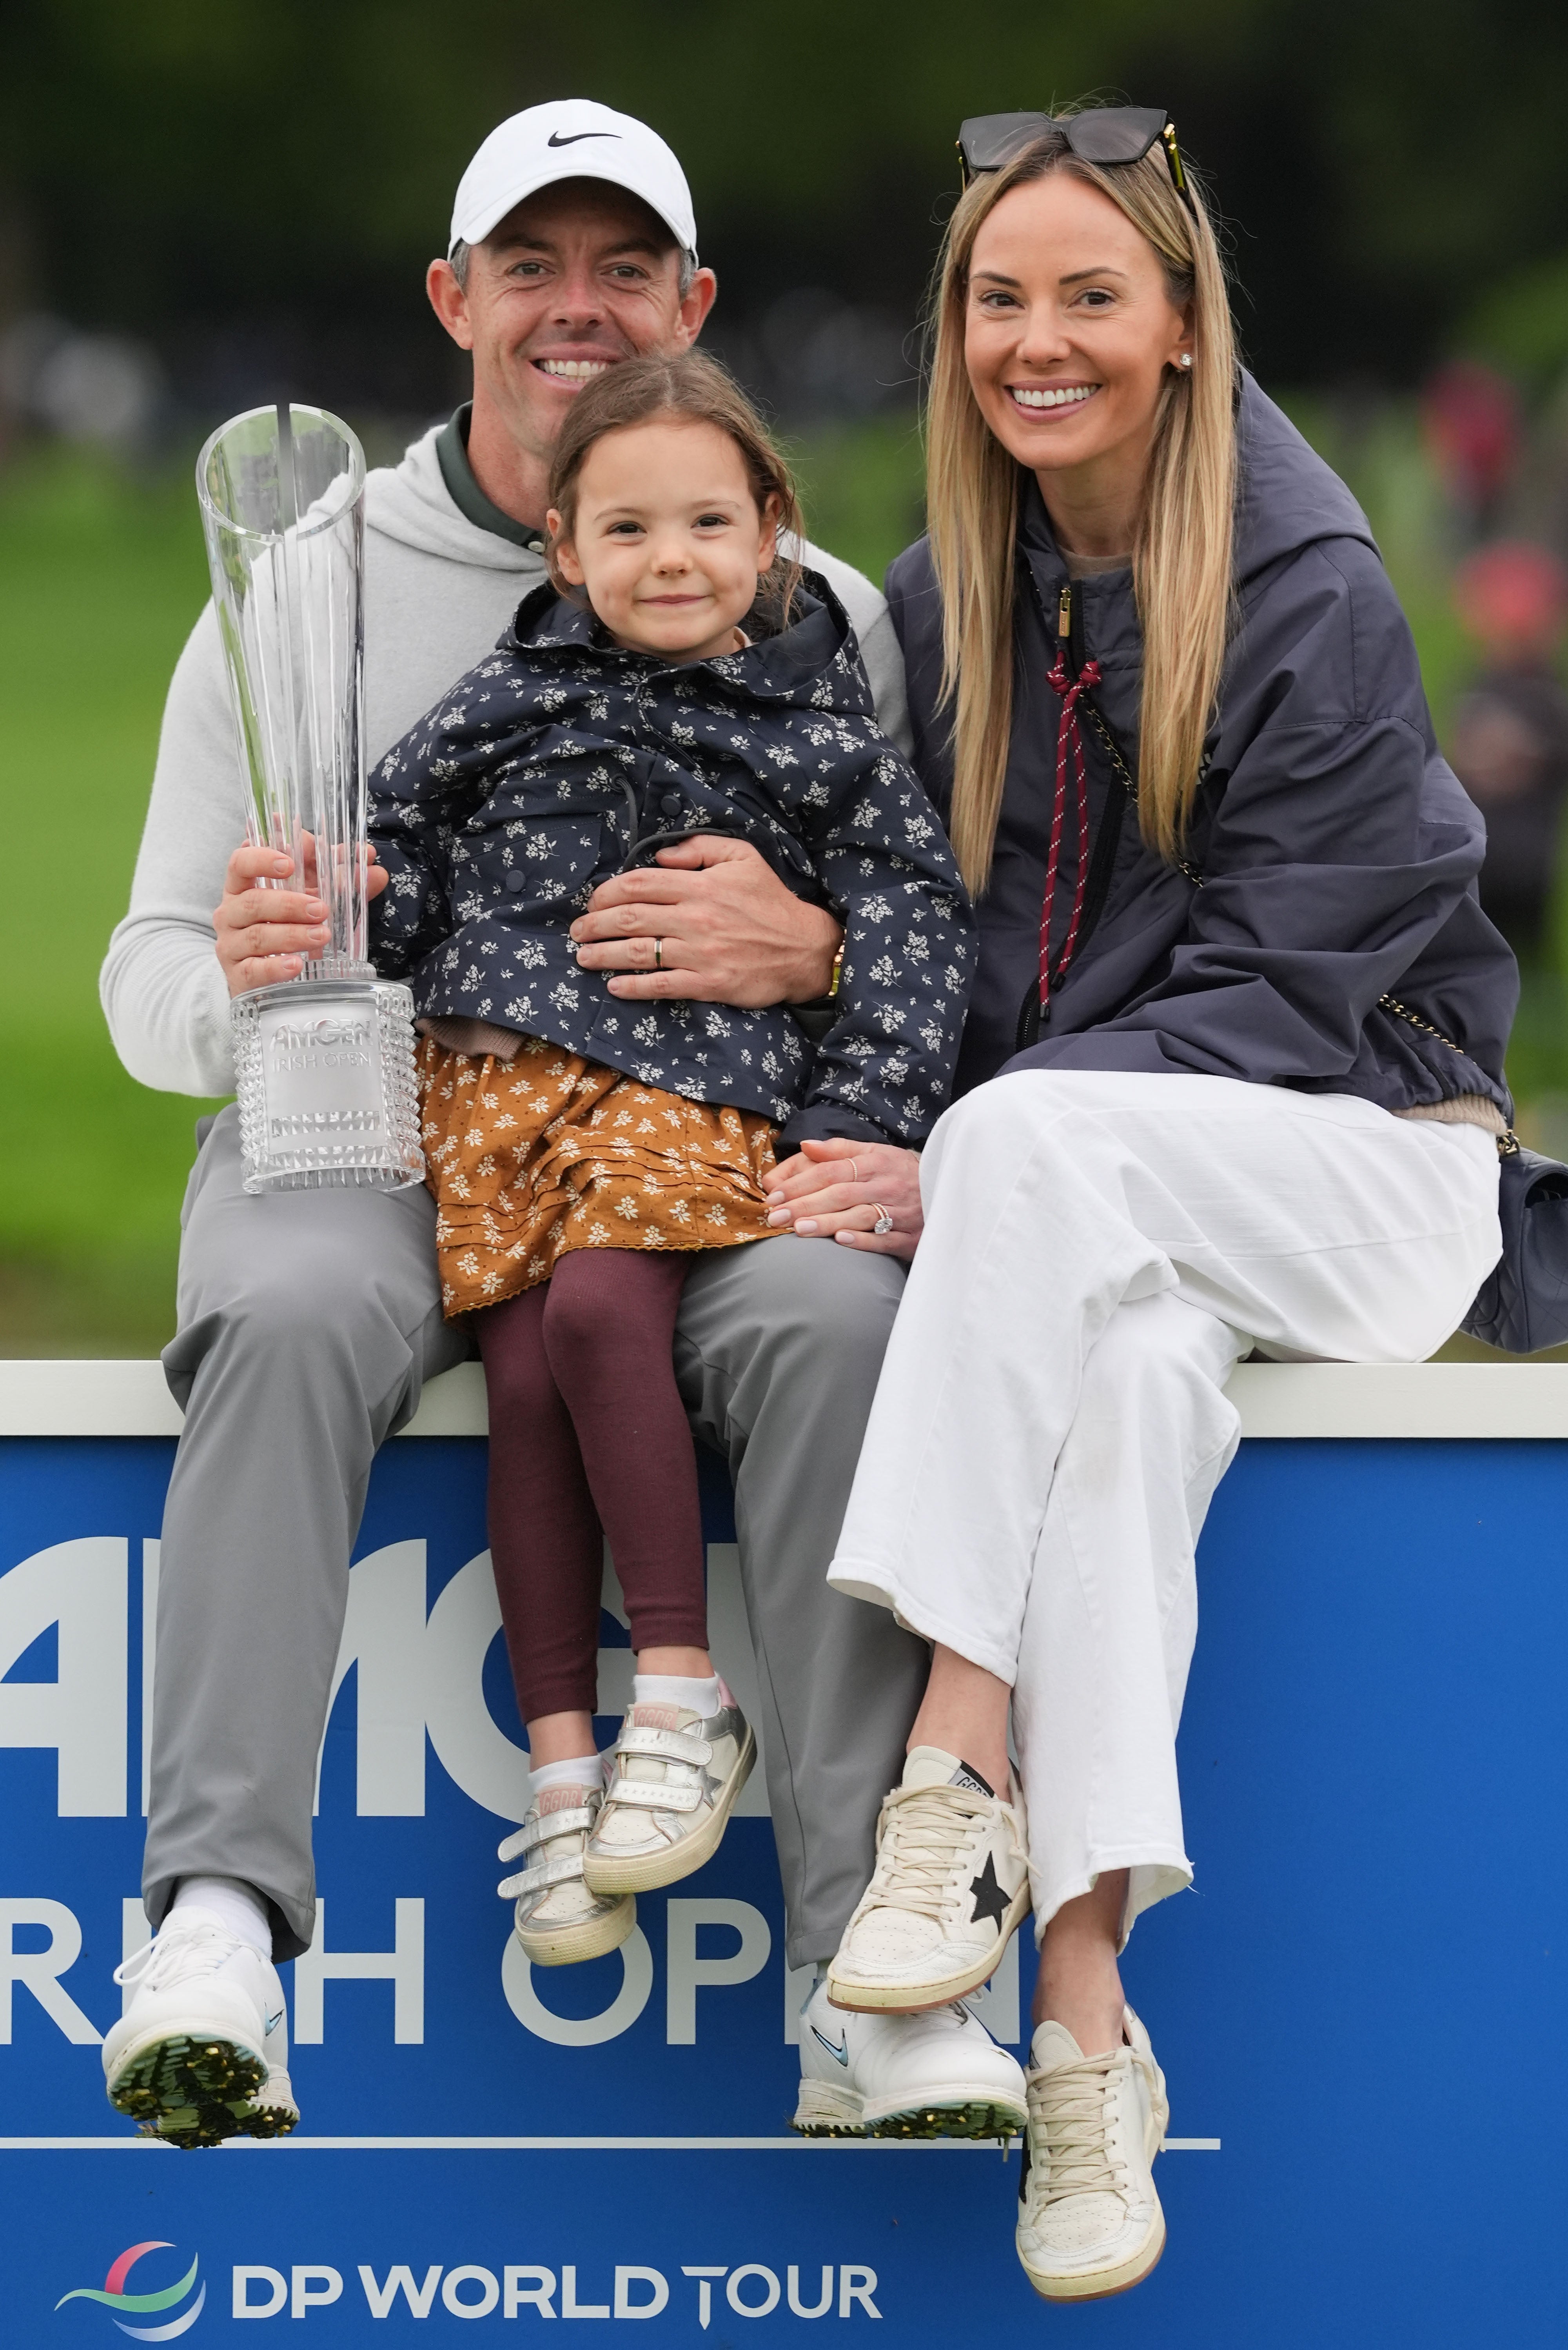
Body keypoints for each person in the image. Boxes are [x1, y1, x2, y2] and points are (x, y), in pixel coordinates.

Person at [100, 100, 1022, 2150]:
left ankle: (861, 1980)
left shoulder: (812, 605)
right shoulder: (296, 579)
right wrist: (254, 983)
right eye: (533, 267)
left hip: (696, 1155)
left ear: (693, 306)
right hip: (376, 1130)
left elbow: (895, 918)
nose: (577, 310)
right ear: (457, 301)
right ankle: (218, 1922)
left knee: (840, 1322)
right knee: (280, 1305)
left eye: (625, 270)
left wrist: (809, 961)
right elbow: (144, 981)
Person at [764, 107, 1517, 2295]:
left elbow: (1288, 1000)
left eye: (1091, 294)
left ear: (1181, 326)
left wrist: (977, 1148)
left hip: (1371, 1162)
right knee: (1122, 1391)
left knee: (1011, 1152)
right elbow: (958, 949)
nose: (1039, 340)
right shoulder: (953, 590)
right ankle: (1086, 2041)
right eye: (1000, 299)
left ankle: (946, 1777)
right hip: (1117, 1197)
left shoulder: (1304, 581)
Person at [365, 350, 973, 1967]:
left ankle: (685, 1693)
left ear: (774, 529)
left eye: (710, 520)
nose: (673, 558)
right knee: (518, 1382)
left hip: (683, 1082)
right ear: (565, 548)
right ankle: (566, 1772)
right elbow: (401, 840)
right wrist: (355, 905)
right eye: (627, 529)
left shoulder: (814, 717)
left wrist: (864, 1109)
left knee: (594, 1316)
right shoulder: (511, 693)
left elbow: (913, 915)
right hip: (497, 1110)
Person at [1447, 540, 1568, 958]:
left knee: (1522, 945)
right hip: (1481, 848)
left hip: (1528, 855)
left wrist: (1523, 755)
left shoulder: (1547, 693)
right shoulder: (1477, 685)